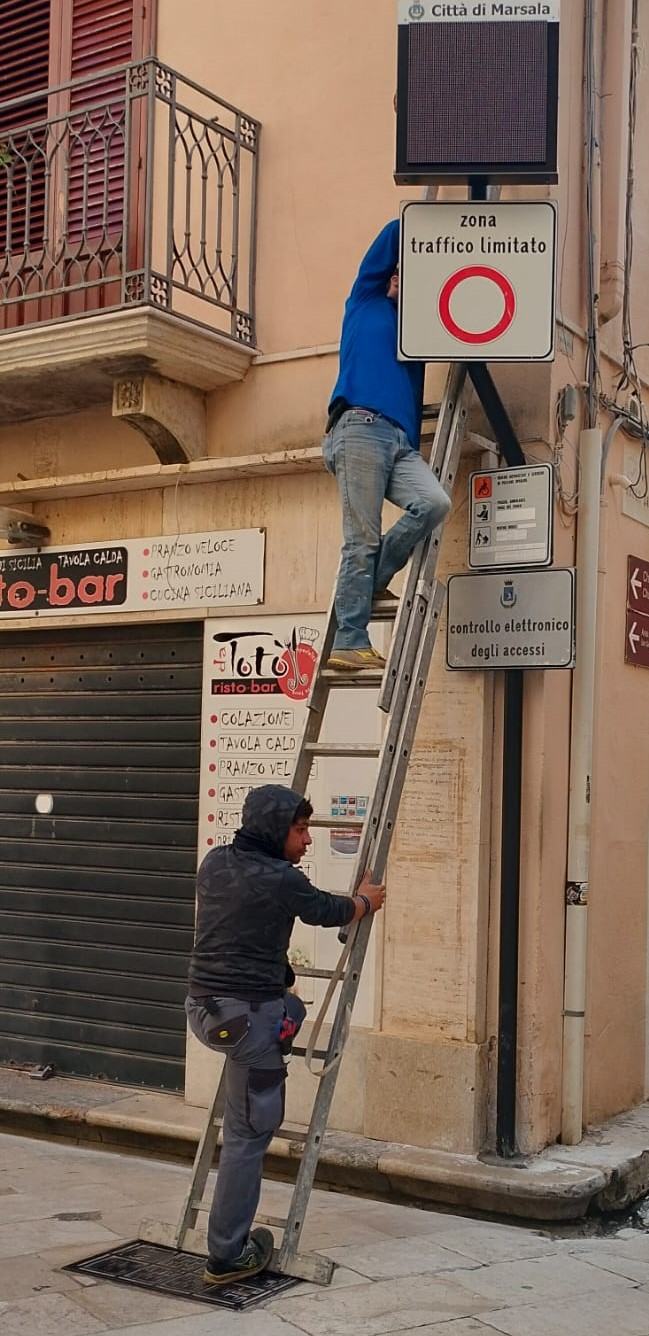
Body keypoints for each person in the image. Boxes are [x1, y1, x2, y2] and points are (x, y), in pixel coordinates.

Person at [185, 784, 385, 1284]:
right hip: (249, 1020)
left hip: (205, 1010)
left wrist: (277, 972)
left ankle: (279, 1021)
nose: (306, 841)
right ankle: (227, 1255)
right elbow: (328, 910)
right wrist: (365, 900)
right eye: (299, 830)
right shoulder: (280, 877)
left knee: (287, 1004)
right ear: (276, 830)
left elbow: (242, 924)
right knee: (248, 1137)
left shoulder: (214, 862)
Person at [323, 218, 451, 671]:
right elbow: (393, 235)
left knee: (434, 503)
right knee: (361, 537)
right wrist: (428, 232)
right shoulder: (365, 302)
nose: (398, 278)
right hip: (359, 426)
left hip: (400, 441)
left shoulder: (413, 333)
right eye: (397, 272)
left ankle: (374, 579)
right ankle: (349, 639)